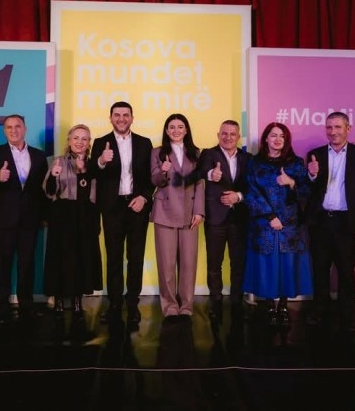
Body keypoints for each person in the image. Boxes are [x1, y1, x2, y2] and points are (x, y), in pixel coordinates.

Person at [305, 111, 355, 333]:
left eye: (338, 127)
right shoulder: (315, 155)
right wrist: (312, 176)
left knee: (346, 272)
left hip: (347, 223)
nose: (333, 131)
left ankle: (347, 317)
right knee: (319, 270)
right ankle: (320, 312)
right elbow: (308, 190)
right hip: (320, 222)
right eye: (329, 127)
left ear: (348, 129)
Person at [90, 101, 154, 327]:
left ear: (132, 118)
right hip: (112, 209)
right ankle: (114, 303)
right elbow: (91, 172)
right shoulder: (100, 143)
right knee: (114, 258)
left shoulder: (145, 143)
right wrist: (101, 160)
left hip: (137, 207)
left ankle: (133, 304)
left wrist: (144, 197)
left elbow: (151, 177)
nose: (121, 118)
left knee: (135, 258)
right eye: (117, 115)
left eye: (126, 115)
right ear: (110, 118)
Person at [243, 122, 311, 327]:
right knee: (268, 267)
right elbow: (250, 192)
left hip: (290, 227)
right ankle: (270, 306)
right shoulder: (254, 163)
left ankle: (283, 305)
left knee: (286, 267)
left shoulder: (296, 163)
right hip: (264, 225)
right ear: (266, 138)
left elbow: (307, 192)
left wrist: (292, 183)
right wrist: (270, 216)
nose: (277, 139)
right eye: (273, 135)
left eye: (282, 136)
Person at [0, 114, 49, 324]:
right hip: (2, 220)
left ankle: (26, 304)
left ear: (25, 129)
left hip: (29, 220)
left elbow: (42, 191)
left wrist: (43, 216)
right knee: (2, 264)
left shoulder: (39, 156)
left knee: (27, 264)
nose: (14, 130)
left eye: (18, 126)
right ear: (4, 131)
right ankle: (1, 306)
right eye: (9, 127)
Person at [42, 124, 103, 316]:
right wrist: (54, 176)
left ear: (89, 143)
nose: (79, 142)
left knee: (82, 257)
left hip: (86, 216)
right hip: (62, 215)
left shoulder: (94, 165)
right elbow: (49, 192)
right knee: (60, 257)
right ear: (69, 141)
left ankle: (77, 299)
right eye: (76, 138)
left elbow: (98, 194)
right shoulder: (58, 162)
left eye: (84, 139)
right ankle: (59, 299)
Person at [150, 113, 205, 320]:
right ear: (166, 130)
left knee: (188, 263)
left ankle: (187, 305)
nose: (176, 130)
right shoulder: (157, 152)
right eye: (171, 127)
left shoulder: (196, 153)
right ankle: (170, 305)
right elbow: (154, 180)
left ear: (186, 129)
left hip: (189, 213)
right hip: (165, 212)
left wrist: (199, 211)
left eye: (180, 126)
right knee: (166, 264)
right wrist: (162, 171)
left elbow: (199, 183)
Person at [197, 119, 250, 321]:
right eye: (224, 133)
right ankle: (216, 302)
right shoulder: (208, 154)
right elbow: (200, 171)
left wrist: (239, 196)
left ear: (238, 137)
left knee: (238, 263)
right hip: (215, 218)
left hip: (239, 219)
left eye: (232, 134)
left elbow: (253, 186)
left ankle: (237, 301)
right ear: (218, 135)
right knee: (214, 264)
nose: (228, 137)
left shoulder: (248, 158)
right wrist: (212, 174)